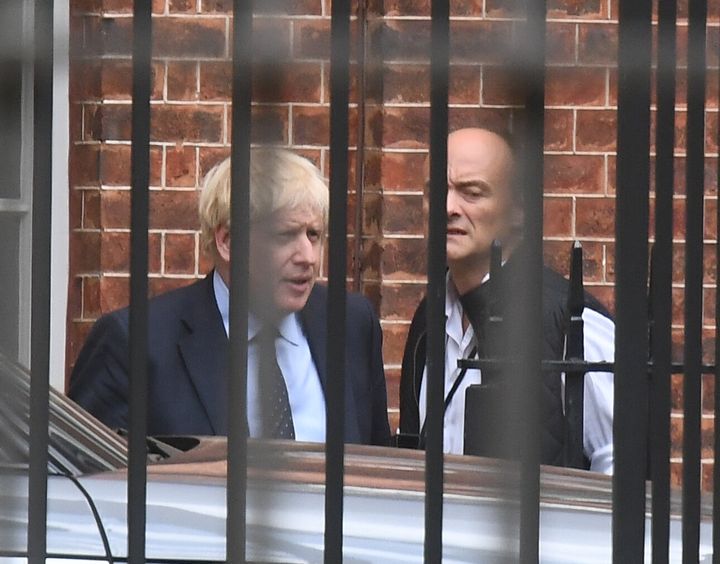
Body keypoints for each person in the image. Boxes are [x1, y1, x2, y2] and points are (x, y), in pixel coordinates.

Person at [69, 148, 391, 446]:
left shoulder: (350, 324)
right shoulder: (137, 343)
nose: (307, 256)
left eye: (314, 235)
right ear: (227, 242)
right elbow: (90, 484)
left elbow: (378, 472)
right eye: (285, 235)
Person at [398, 127, 614, 473]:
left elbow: (620, 472)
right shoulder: (429, 318)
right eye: (435, 191)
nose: (447, 207)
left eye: (472, 193)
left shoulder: (572, 321)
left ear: (518, 211)